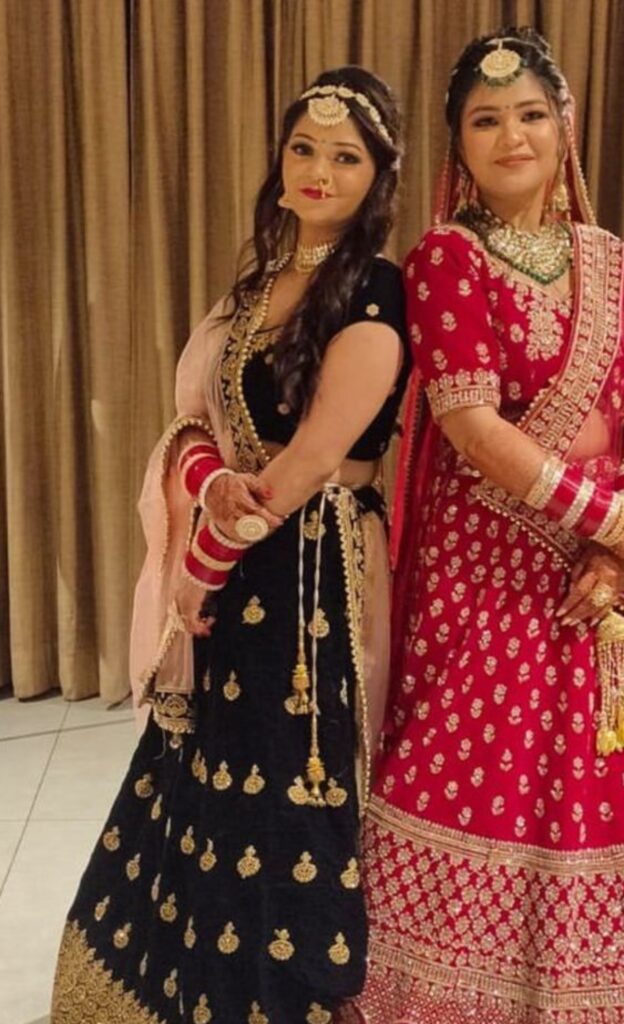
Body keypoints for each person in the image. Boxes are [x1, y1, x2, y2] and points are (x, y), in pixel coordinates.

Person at [344, 29, 624, 1024]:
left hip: (608, 572)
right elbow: (470, 425)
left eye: (530, 114)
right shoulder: (447, 258)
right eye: (485, 120)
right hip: (492, 565)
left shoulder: (605, 256)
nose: (511, 136)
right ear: (458, 145)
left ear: (566, 128)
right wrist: (603, 518)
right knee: (480, 759)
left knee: (617, 764)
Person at [51, 66, 409, 1024]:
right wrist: (208, 485)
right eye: (304, 149)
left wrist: (201, 565)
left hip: (313, 569)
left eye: (346, 157)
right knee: (209, 768)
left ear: (378, 177)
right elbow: (198, 422)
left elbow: (315, 456)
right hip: (239, 553)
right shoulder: (254, 287)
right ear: (279, 160)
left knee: (291, 780)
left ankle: (283, 997)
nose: (319, 171)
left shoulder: (374, 291)